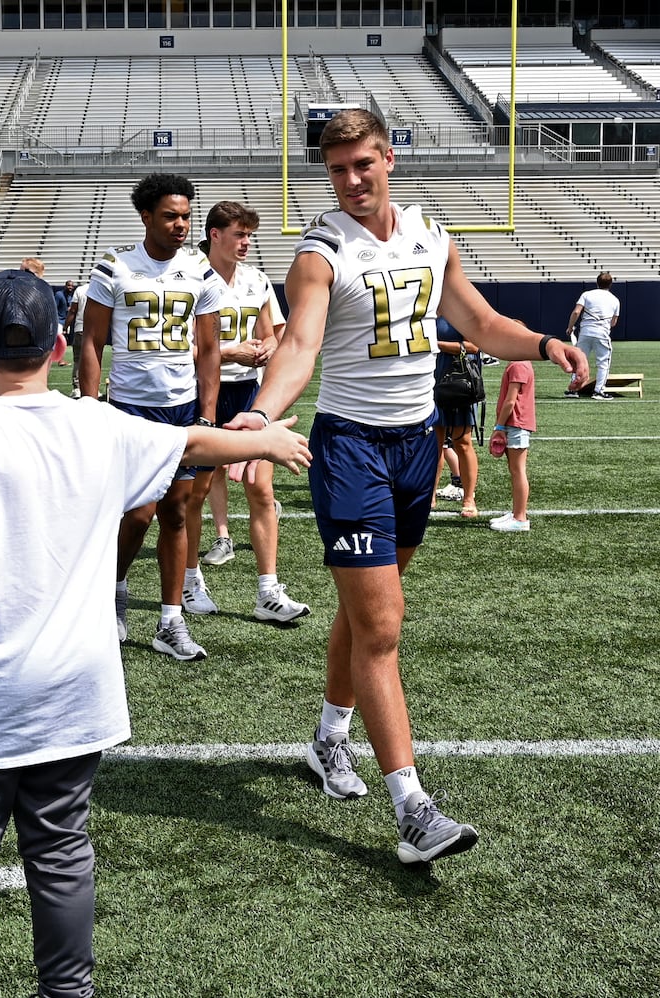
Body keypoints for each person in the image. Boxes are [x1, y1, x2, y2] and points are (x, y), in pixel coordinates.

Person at [0, 269, 311, 998]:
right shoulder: (98, 423)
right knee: (62, 853)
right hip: (77, 690)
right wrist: (261, 439)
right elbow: (192, 443)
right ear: (60, 345)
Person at [224, 109, 588, 864]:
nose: (351, 181)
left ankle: (328, 738)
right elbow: (300, 345)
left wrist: (547, 342)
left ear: (388, 157)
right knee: (384, 624)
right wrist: (258, 416)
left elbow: (481, 323)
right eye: (336, 169)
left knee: (366, 617)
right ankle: (413, 810)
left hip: (418, 447)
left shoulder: (430, 230)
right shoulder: (321, 251)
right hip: (352, 448)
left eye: (363, 164)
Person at [78, 172, 223, 663]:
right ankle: (114, 590)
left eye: (186, 216)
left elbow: (208, 349)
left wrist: (206, 414)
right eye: (170, 216)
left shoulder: (200, 270)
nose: (181, 224)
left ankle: (170, 621)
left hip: (180, 410)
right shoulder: (114, 268)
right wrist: (92, 403)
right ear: (146, 216)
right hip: (128, 409)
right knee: (137, 514)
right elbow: (91, 343)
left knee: (177, 513)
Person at [181, 201, 309, 623]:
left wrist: (269, 346)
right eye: (239, 234)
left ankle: (268, 591)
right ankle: (189, 580)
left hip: (251, 397)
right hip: (205, 395)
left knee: (261, 489)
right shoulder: (189, 276)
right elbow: (176, 345)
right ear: (214, 235)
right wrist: (227, 351)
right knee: (194, 493)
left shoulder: (256, 279)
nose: (246, 243)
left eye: (250, 235)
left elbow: (277, 332)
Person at [431, 316, 481, 518]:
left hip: (459, 383)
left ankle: (469, 498)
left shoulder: (460, 313)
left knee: (462, 442)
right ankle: (429, 495)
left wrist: (437, 345)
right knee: (433, 444)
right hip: (429, 380)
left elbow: (474, 346)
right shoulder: (427, 308)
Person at [489, 359, 537, 533]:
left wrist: (499, 427)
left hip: (516, 423)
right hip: (513, 423)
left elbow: (511, 400)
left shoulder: (519, 365)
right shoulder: (518, 364)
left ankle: (520, 517)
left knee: (518, 470)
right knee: (514, 469)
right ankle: (516, 512)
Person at [564, 272, 620, 400]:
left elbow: (576, 312)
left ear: (597, 282)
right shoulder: (615, 300)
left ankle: (573, 390)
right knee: (603, 363)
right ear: (610, 284)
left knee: (579, 361)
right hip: (602, 333)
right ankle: (598, 392)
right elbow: (614, 322)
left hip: (585, 332)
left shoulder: (587, 294)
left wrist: (570, 327)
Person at [63, 277, 89, 398]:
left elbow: (73, 311)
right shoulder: (101, 290)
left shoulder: (81, 290)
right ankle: (91, 388)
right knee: (93, 359)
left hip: (80, 329)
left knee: (78, 360)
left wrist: (65, 327)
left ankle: (77, 388)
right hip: (95, 330)